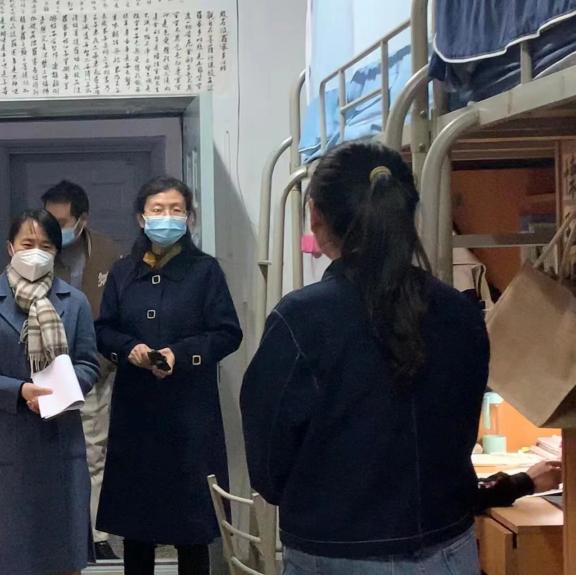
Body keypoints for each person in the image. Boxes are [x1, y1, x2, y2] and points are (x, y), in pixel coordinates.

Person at [240, 142, 489, 574]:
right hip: (449, 548)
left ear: (315, 216)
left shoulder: (302, 319)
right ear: (407, 214)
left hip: (335, 554)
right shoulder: (460, 312)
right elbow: (463, 428)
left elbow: (268, 465)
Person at [96, 176, 243, 575]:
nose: (167, 217)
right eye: (158, 210)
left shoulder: (205, 270)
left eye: (176, 210)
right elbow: (103, 330)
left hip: (189, 415)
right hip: (137, 415)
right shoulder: (123, 271)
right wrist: (130, 349)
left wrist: (182, 354)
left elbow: (228, 333)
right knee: (137, 527)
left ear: (189, 218)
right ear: (141, 218)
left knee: (191, 528)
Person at [0, 209, 100, 575]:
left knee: (62, 559)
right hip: (4, 454)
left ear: (56, 251)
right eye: (27, 244)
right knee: (6, 559)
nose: (36, 253)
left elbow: (89, 364)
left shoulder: (74, 302)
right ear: (10, 248)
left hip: (59, 449)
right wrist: (19, 391)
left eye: (45, 246)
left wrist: (62, 389)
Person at [42, 179, 122, 561]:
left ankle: (97, 537)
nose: (52, 229)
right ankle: (58, 536)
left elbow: (118, 313)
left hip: (97, 369)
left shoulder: (108, 253)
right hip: (46, 372)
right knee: (50, 456)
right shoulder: (38, 253)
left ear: (82, 220)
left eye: (60, 222)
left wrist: (103, 362)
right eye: (49, 220)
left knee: (95, 455)